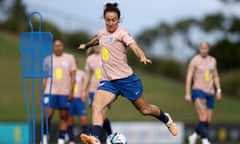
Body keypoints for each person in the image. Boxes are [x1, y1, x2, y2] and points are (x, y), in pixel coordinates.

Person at [78, 3, 178, 144]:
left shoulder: (122, 33)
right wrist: (87, 45)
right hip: (109, 82)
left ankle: (165, 118)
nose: (110, 23)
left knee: (145, 109)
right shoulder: (102, 33)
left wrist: (142, 56)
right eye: (108, 20)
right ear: (104, 19)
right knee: (96, 106)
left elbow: (134, 46)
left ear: (119, 20)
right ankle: (96, 138)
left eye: (113, 20)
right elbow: (98, 39)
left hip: (127, 80)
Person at [185, 41, 222, 144]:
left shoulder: (212, 61)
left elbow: (215, 76)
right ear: (199, 49)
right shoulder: (194, 61)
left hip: (210, 92)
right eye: (202, 48)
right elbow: (189, 77)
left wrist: (219, 89)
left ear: (208, 49)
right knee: (203, 116)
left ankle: (194, 136)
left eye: (206, 48)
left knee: (208, 120)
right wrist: (187, 93)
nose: (204, 50)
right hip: (198, 91)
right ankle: (205, 140)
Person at [42, 39, 76, 144]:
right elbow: (45, 78)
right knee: (48, 115)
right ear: (53, 47)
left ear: (63, 46)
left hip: (64, 92)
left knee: (63, 116)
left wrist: (71, 91)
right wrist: (42, 92)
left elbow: (73, 76)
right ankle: (44, 138)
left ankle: (60, 140)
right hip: (50, 91)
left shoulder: (70, 58)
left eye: (60, 45)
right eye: (56, 45)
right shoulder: (48, 59)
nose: (58, 47)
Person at [84, 46, 112, 136]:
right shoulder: (89, 59)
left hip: (106, 89)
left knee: (102, 117)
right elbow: (87, 76)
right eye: (94, 44)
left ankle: (110, 134)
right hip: (93, 90)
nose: (96, 46)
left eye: (98, 44)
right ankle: (95, 138)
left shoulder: (106, 56)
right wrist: (84, 91)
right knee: (95, 116)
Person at [67, 68, 90, 144]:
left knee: (83, 119)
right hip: (71, 99)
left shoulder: (81, 73)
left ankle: (86, 140)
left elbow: (88, 82)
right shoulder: (68, 73)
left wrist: (85, 93)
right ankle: (71, 141)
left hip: (79, 100)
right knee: (69, 121)